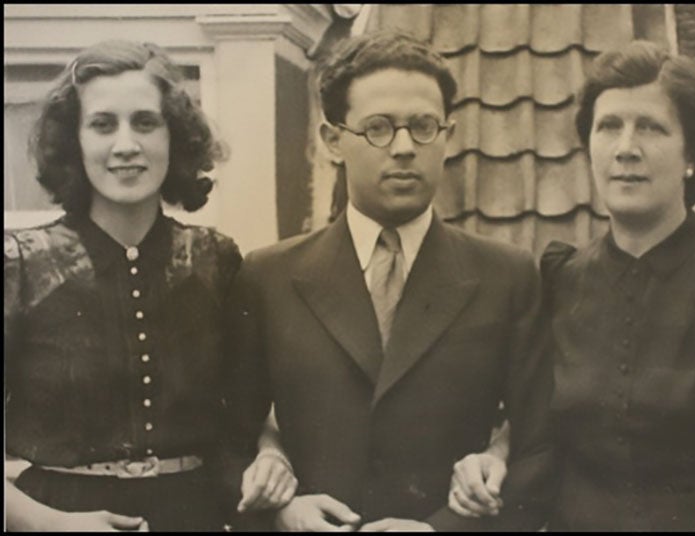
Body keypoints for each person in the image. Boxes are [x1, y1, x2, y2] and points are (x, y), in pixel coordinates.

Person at [448, 40, 695, 531]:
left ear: (691, 155)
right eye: (609, 126)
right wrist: (496, 454)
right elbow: (540, 419)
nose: (625, 148)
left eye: (651, 128)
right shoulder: (563, 278)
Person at [224, 30, 555, 532]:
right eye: (377, 128)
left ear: (448, 134)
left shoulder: (507, 275)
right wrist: (284, 513)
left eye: (423, 126)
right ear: (333, 140)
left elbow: (539, 446)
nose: (404, 148)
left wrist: (441, 529)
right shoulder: (268, 277)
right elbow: (227, 440)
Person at [4, 40, 295, 531]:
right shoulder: (20, 266)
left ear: (173, 137)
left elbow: (248, 416)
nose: (125, 145)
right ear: (73, 141)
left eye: (145, 122)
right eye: (102, 124)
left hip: (194, 517)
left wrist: (273, 454)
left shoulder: (214, 261)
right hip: (57, 519)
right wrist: (48, 524)